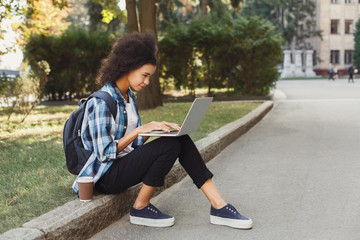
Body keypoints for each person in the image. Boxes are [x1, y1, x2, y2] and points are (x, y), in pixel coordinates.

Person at [72, 32, 253, 229]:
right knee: (169, 145)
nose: (147, 82)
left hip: (122, 165)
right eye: (145, 75)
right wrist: (140, 129)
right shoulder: (101, 102)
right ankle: (140, 207)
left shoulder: (129, 97)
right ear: (127, 67)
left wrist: (155, 130)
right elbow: (105, 153)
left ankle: (219, 205)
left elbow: (134, 145)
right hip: (105, 176)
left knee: (179, 139)